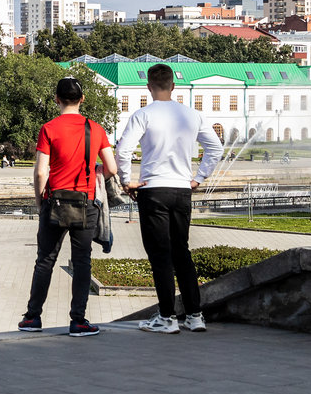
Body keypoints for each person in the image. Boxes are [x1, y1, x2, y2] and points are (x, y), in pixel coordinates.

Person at [116, 62, 224, 334]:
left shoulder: (144, 114)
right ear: (173, 86)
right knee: (182, 252)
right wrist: (199, 178)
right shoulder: (191, 115)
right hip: (181, 190)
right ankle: (195, 315)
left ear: (149, 87)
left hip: (153, 189)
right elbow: (215, 148)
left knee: (160, 255)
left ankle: (166, 317)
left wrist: (126, 179)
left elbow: (123, 150)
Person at [18, 77, 118, 338]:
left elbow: (41, 172)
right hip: (85, 204)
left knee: (45, 261)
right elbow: (112, 168)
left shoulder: (49, 128)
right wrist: (96, 172)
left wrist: (41, 201)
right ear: (82, 99)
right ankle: (78, 321)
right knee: (82, 262)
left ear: (56, 99)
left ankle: (32, 317)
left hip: (55, 201)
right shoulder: (96, 129)